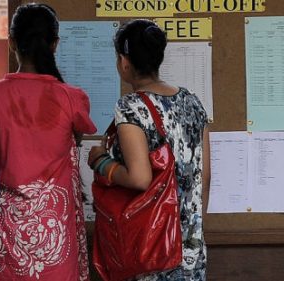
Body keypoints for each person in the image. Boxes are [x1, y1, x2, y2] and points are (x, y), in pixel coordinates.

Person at [0, 3, 96, 280]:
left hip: (5, 236)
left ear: (11, 43)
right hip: (57, 235)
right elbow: (76, 139)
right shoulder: (73, 97)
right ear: (54, 44)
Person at [87, 19, 210, 281]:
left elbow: (139, 178)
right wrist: (192, 229)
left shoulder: (131, 106)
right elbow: (205, 177)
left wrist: (101, 162)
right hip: (190, 247)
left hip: (149, 246)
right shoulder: (192, 101)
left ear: (124, 61)